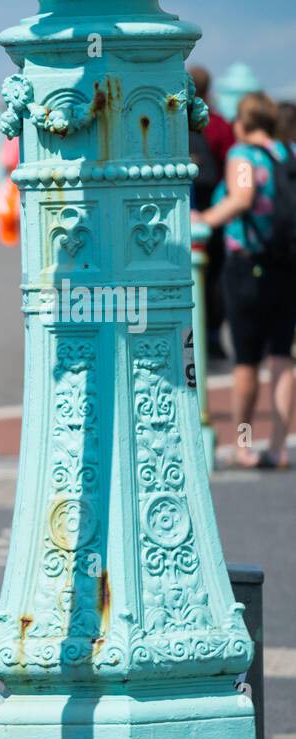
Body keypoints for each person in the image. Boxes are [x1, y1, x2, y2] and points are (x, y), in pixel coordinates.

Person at [195, 91, 295, 469]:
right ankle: (280, 445)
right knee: (282, 358)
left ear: (242, 122)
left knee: (247, 362)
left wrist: (204, 220)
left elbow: (241, 197)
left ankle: (244, 443)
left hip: (247, 266)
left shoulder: (242, 156)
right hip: (286, 266)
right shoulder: (289, 154)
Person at [188, 65, 236, 362]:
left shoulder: (177, 121)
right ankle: (214, 338)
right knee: (215, 273)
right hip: (215, 210)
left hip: (185, 206)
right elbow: (233, 166)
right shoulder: (219, 124)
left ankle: (192, 336)